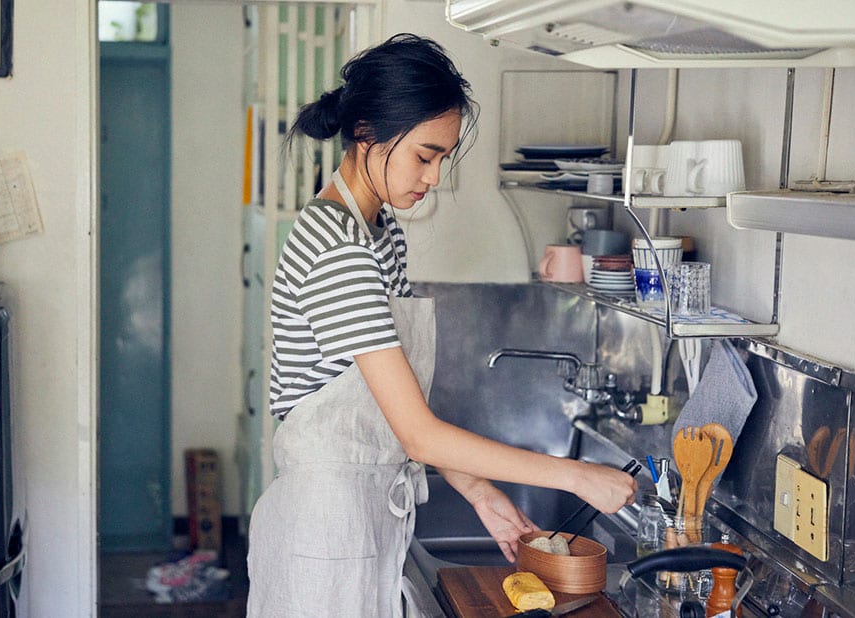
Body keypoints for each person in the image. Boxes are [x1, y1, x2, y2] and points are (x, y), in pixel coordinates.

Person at [246, 33, 638, 617]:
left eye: (441, 160)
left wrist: (479, 491)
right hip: (325, 533)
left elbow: (390, 406)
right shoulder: (337, 248)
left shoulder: (380, 234)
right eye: (424, 155)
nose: (432, 177)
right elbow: (418, 434)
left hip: (367, 519)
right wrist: (576, 476)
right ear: (365, 134)